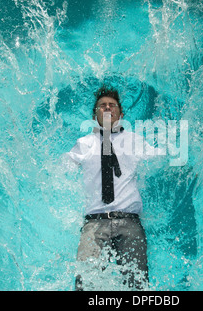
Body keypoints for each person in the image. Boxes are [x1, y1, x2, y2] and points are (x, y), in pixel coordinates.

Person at [67, 85, 162, 290]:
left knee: (137, 285)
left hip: (129, 221)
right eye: (102, 106)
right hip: (94, 223)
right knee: (84, 284)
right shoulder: (84, 143)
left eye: (112, 105)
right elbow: (60, 170)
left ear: (120, 113)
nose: (107, 108)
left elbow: (161, 159)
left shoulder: (135, 140)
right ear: (95, 114)